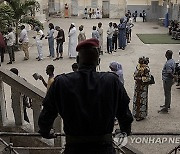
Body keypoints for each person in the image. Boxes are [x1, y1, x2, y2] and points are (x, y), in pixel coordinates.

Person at [38, 38, 133, 154]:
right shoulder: (112, 81)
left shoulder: (61, 83)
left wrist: (46, 131)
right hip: (104, 149)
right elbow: (125, 113)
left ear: (77, 60)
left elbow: (47, 114)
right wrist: (124, 129)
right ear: (98, 61)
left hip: (74, 149)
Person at [133, 57, 151, 121]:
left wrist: (141, 79)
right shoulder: (138, 66)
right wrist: (135, 77)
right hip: (137, 86)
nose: (139, 62)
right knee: (136, 100)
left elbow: (148, 78)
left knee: (142, 101)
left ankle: (141, 115)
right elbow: (134, 74)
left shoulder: (146, 69)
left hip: (143, 88)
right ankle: (136, 114)